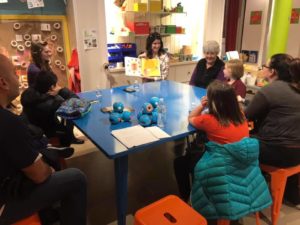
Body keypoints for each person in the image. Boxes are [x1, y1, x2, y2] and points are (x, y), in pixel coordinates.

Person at [0, 54, 87, 225]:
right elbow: (80, 104)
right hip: (4, 204)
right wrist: (62, 91)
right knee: (76, 178)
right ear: (3, 82)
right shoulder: (7, 122)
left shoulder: (27, 98)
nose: (18, 77)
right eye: (14, 73)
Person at [188, 80, 271, 220]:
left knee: (182, 163)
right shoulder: (241, 115)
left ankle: (190, 202)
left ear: (212, 102)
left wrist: (201, 106)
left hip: (223, 170)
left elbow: (191, 118)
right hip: (245, 169)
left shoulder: (209, 120)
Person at [245, 53, 300, 206]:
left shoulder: (270, 90)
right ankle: (292, 194)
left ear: (273, 71)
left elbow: (245, 115)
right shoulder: (295, 87)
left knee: (238, 144)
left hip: (276, 152)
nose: (263, 69)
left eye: (265, 66)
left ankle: (250, 193)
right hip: (297, 153)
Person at [21, 70, 84, 146]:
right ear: (52, 87)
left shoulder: (28, 93)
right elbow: (77, 102)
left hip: (35, 126)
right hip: (47, 131)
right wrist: (61, 90)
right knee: (70, 114)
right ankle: (66, 142)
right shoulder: (50, 104)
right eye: (56, 84)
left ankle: (70, 137)